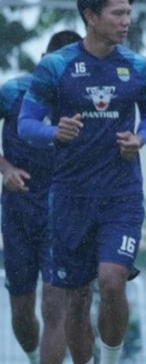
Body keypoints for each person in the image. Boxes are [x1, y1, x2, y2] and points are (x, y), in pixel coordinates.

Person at [17, 0, 146, 364]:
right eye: (118, 13)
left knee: (113, 281)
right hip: (70, 197)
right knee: (77, 299)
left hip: (121, 196)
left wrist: (141, 138)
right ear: (90, 16)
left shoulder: (137, 67)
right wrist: (55, 131)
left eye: (129, 12)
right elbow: (25, 124)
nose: (126, 21)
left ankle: (111, 359)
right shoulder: (56, 67)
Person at [0, 30, 81, 364]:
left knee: (54, 303)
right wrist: (5, 169)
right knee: (21, 310)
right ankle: (33, 355)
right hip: (18, 210)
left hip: (60, 209)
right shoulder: (15, 91)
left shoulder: (82, 101)